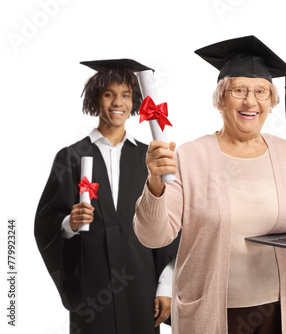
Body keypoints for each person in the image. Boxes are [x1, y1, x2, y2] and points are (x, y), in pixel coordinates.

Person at [133, 36, 286, 334]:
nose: (250, 101)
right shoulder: (190, 155)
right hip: (212, 313)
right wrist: (155, 185)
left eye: (261, 92)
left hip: (282, 311)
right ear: (220, 98)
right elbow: (154, 237)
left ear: (272, 102)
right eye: (239, 90)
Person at [34, 59, 180, 334]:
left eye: (126, 95)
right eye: (109, 94)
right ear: (96, 99)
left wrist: (166, 286)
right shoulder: (71, 157)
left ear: (135, 100)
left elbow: (170, 224)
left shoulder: (149, 157)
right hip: (92, 284)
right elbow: (46, 224)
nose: (118, 102)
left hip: (141, 283)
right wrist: (70, 223)